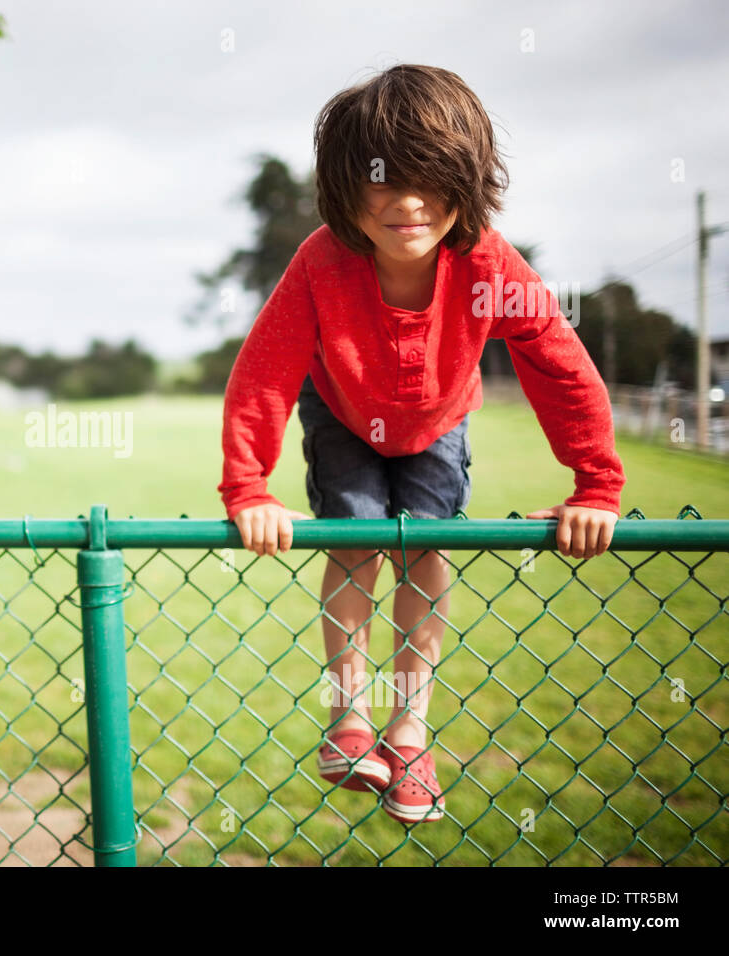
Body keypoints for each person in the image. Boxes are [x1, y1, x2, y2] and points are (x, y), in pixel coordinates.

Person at [216, 64, 625, 825]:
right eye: (382, 182)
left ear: (466, 181)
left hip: (438, 422)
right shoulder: (319, 264)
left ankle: (409, 732)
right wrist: (249, 488)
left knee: (425, 549)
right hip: (342, 411)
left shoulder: (488, 264)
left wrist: (595, 485)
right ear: (345, 188)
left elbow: (558, 364)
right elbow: (263, 375)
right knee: (355, 542)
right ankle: (348, 722)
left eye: (430, 178)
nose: (407, 201)